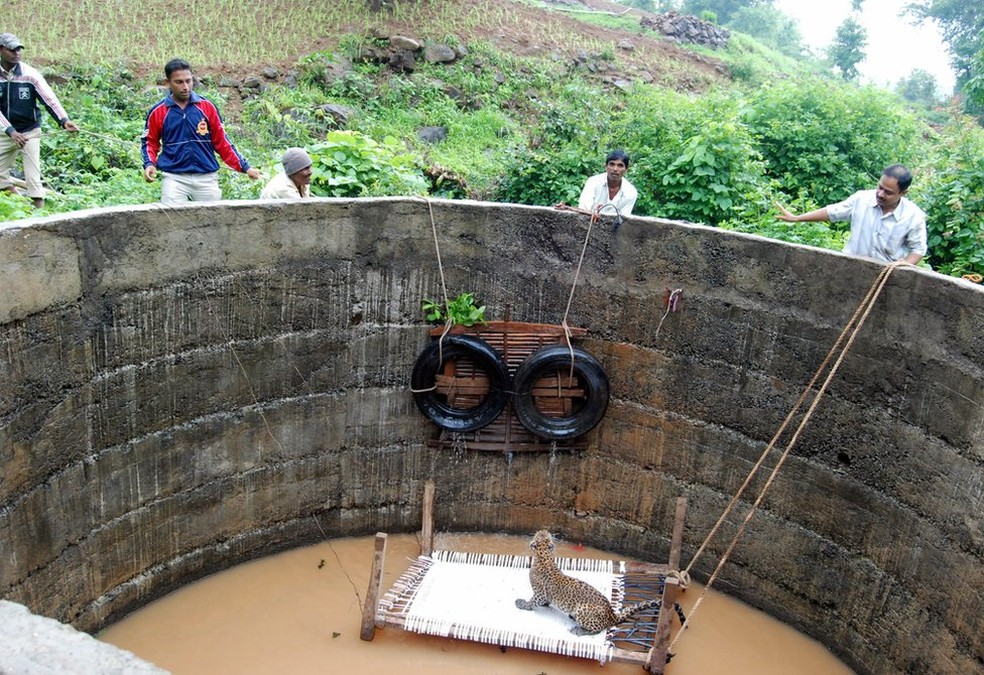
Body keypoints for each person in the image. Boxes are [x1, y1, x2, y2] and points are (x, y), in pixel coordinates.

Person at [142, 58, 260, 205]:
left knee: (212, 222)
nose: (185, 86)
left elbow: (222, 142)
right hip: (174, 178)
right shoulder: (158, 112)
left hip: (207, 177)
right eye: (179, 82)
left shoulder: (207, 108)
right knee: (173, 222)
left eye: (188, 81)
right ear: (168, 83)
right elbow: (150, 142)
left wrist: (245, 167)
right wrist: (149, 164)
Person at [775, 165, 927, 265]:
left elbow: (918, 249)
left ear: (903, 193)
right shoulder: (862, 199)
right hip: (850, 267)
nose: (880, 194)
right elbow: (833, 212)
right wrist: (797, 218)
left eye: (888, 192)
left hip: (884, 278)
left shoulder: (913, 216)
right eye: (879, 187)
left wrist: (903, 265)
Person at [0, 33, 79, 208]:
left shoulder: (30, 74)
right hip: (5, 132)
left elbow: (49, 98)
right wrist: (10, 131)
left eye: (19, 49)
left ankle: (39, 213)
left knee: (33, 176)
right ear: (1, 50)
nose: (16, 53)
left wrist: (64, 120)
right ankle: (21, 206)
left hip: (29, 131)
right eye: (11, 49)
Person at [576, 149, 638, 217]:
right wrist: (593, 211)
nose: (615, 169)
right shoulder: (593, 182)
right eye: (612, 164)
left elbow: (623, 219)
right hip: (588, 223)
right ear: (605, 166)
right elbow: (582, 210)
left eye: (620, 165)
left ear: (626, 169)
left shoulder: (631, 192)